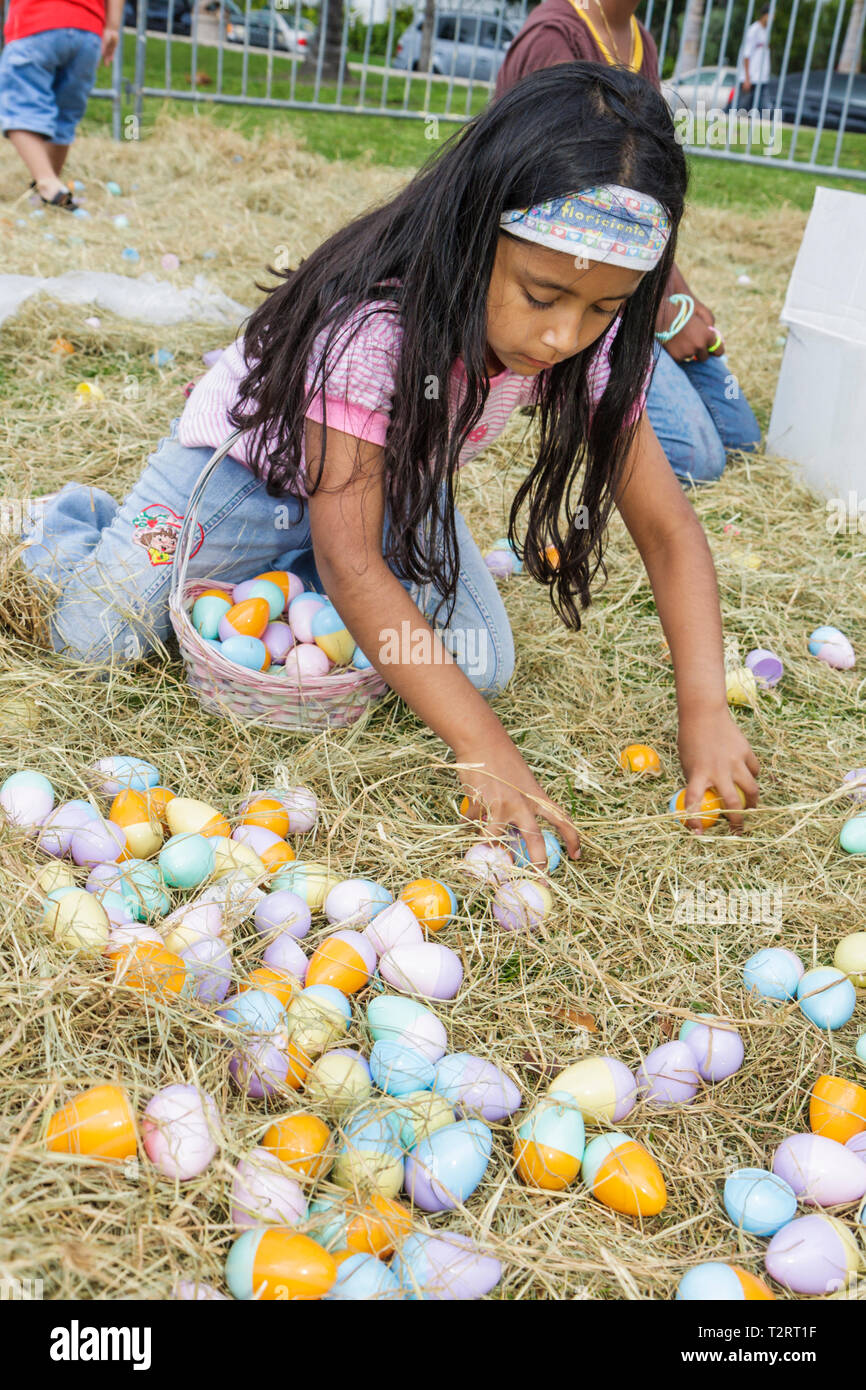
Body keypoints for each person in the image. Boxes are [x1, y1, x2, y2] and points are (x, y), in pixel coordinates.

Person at [21, 65, 760, 855]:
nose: (562, 337)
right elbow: (353, 564)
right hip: (245, 483)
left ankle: (283, 585)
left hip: (386, 489)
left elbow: (669, 530)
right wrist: (488, 753)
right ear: (477, 233)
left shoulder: (588, 346)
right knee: (92, 642)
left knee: (478, 668)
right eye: (542, 296)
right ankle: (93, 526)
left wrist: (704, 712)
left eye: (604, 307)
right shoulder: (377, 329)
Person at [496, 0, 762, 485]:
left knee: (741, 437)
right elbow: (567, 223)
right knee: (695, 460)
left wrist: (677, 297)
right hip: (583, 290)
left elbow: (645, 198)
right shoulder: (553, 38)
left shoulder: (642, 38)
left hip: (620, 288)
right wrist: (658, 311)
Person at [0, 0, 121, 209]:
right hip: (88, 32)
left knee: (18, 109)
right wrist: (112, 27)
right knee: (65, 114)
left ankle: (47, 182)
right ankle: (51, 188)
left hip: (34, 23)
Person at [739, 3, 772, 113]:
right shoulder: (754, 30)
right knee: (739, 108)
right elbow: (746, 55)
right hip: (751, 79)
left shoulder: (765, 31)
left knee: (765, 111)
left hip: (762, 78)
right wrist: (747, 78)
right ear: (765, 15)